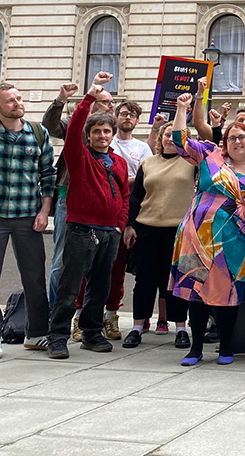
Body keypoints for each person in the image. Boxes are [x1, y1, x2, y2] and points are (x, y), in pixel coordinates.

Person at [169, 92, 245, 366]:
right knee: (196, 293)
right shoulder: (210, 154)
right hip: (199, 235)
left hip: (238, 240)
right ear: (225, 141)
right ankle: (195, 349)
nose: (237, 141)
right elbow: (179, 141)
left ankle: (226, 347)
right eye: (232, 137)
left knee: (229, 295)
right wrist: (182, 109)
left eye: (242, 137)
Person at [0, 82, 55, 359]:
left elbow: (48, 176)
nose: (18, 103)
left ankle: (37, 334)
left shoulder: (38, 133)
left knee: (34, 278)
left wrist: (44, 212)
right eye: (10, 101)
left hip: (28, 215)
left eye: (18, 98)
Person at [47, 77, 130, 359]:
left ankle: (92, 333)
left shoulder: (118, 162)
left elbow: (125, 195)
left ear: (112, 134)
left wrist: (120, 224)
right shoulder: (79, 156)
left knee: (100, 286)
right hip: (81, 229)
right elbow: (71, 134)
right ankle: (57, 336)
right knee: (71, 286)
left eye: (107, 131)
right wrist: (88, 99)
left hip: (109, 232)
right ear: (89, 134)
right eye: (97, 131)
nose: (102, 136)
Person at [42, 73, 114, 315]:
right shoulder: (78, 128)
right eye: (105, 101)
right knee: (62, 261)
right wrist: (61, 99)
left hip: (99, 209)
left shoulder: (109, 136)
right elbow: (51, 126)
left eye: (111, 102)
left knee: (96, 267)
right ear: (91, 103)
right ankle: (55, 314)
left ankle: (86, 319)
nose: (111, 106)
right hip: (69, 200)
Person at [120, 121, 195, 349]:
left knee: (175, 281)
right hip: (147, 228)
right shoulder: (147, 163)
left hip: (179, 231)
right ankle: (137, 327)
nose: (170, 139)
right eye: (166, 135)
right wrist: (130, 225)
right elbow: (136, 196)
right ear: (160, 138)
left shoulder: (192, 163)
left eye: (175, 136)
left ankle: (180, 328)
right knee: (144, 280)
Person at [89, 100, 153, 341]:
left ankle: (110, 316)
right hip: (95, 215)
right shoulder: (107, 144)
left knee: (116, 270)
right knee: (87, 271)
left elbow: (141, 183)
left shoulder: (141, 149)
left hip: (124, 215)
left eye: (132, 115)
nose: (127, 118)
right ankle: (81, 317)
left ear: (137, 121)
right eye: (123, 114)